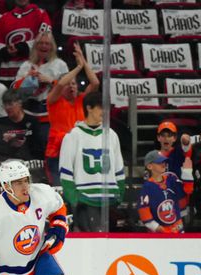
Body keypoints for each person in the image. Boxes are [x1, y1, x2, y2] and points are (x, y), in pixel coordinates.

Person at [58, 91, 125, 232]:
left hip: (109, 200)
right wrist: (74, 198)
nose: (105, 111)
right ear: (89, 108)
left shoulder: (111, 135)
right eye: (101, 107)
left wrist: (120, 193)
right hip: (85, 200)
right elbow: (65, 171)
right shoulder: (73, 136)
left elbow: (119, 168)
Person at [44, 43, 98, 185]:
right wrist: (78, 68)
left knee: (78, 190)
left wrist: (83, 62)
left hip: (78, 152)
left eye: (74, 84)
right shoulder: (54, 100)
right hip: (57, 153)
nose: (72, 86)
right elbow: (61, 84)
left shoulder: (82, 100)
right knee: (59, 190)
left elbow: (95, 82)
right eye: (69, 84)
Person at [0, 0, 52, 84]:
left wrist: (20, 48)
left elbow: (45, 39)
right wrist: (6, 50)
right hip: (7, 75)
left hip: (34, 73)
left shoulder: (40, 14)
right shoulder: (4, 17)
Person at [11, 30, 67, 123]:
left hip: (50, 112)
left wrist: (51, 81)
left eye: (47, 43)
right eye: (40, 43)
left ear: (52, 47)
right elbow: (14, 90)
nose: (43, 46)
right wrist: (26, 79)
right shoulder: (26, 65)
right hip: (27, 111)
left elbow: (68, 91)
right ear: (35, 46)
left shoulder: (60, 65)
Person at [138, 150, 193, 233]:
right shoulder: (147, 187)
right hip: (158, 234)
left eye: (164, 161)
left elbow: (188, 191)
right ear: (149, 166)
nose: (163, 164)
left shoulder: (172, 179)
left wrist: (187, 173)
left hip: (178, 230)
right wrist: (158, 228)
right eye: (159, 162)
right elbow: (143, 211)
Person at [0, 89, 45, 165]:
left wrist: (24, 144)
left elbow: (39, 147)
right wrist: (10, 144)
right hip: (7, 162)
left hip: (29, 163)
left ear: (19, 103)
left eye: (10, 104)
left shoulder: (33, 122)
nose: (7, 108)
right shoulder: (1, 123)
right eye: (5, 105)